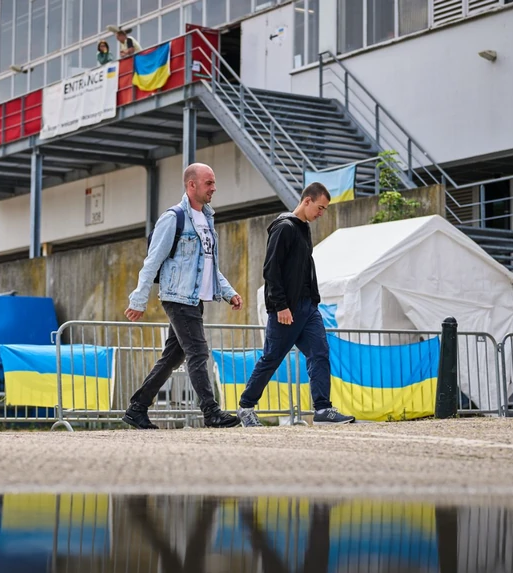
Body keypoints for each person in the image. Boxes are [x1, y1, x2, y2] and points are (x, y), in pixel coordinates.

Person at [123, 163, 242, 430]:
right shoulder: (173, 218)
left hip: (195, 299)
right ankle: (211, 412)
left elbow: (209, 265)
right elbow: (152, 261)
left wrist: (229, 292)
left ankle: (137, 408)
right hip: (178, 297)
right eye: (209, 183)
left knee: (174, 357)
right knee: (198, 352)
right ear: (192, 185)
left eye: (213, 182)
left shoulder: (207, 220)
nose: (214, 188)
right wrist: (139, 299)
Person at [236, 183, 356, 427]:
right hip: (286, 310)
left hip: (308, 308)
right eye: (320, 207)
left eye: (324, 209)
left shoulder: (303, 229)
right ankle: (246, 407)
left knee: (320, 352)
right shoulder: (284, 228)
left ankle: (323, 409)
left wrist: (313, 301)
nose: (321, 213)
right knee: (271, 358)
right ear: (307, 201)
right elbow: (271, 270)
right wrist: (280, 306)